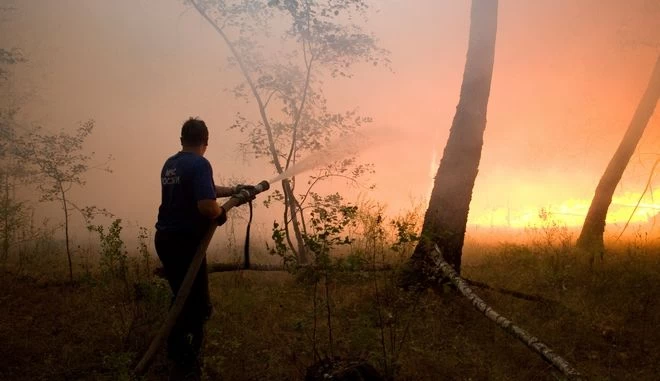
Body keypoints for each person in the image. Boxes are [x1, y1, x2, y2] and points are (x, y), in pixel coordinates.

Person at [155, 117, 237, 380]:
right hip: (184, 243)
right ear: (206, 142)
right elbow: (206, 205)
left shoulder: (172, 164)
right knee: (197, 305)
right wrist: (220, 212)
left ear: (182, 140)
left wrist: (236, 190)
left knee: (182, 295)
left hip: (166, 239)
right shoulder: (201, 163)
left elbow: (206, 190)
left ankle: (174, 351)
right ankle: (187, 364)